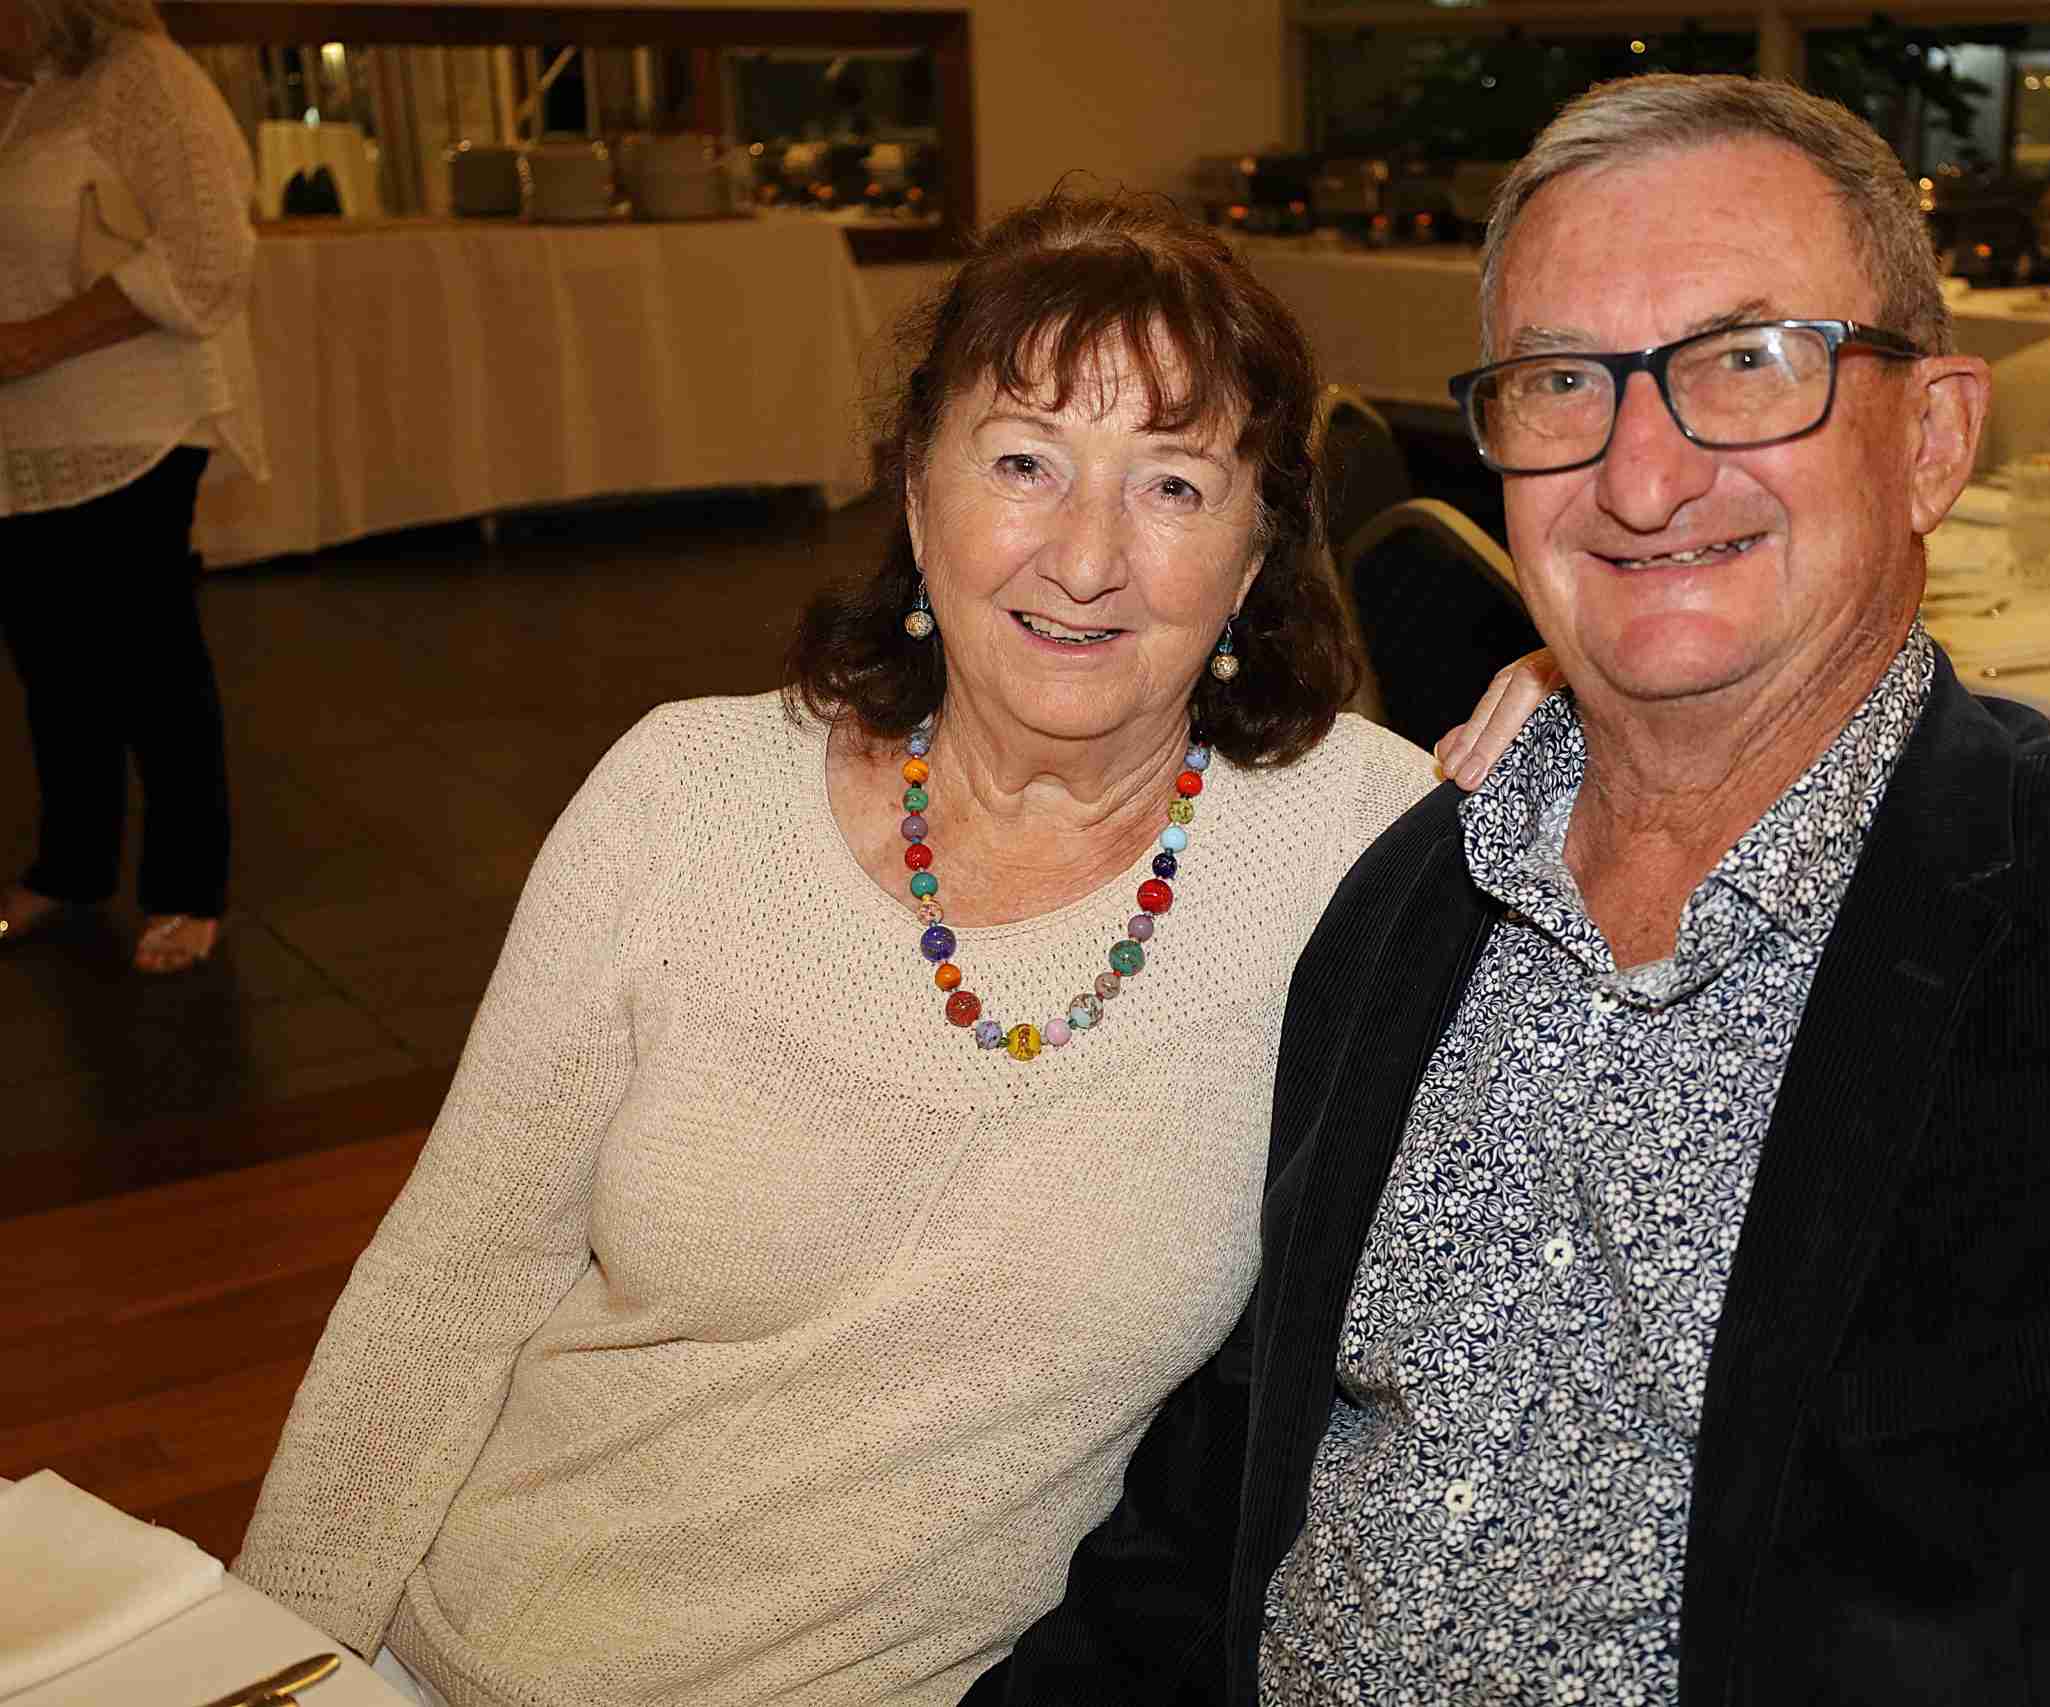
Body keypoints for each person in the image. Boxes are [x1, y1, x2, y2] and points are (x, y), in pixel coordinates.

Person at [991, 76, 2050, 1703]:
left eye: (1747, 362)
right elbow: (1218, 1507)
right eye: (1561, 381)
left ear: (1933, 438)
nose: (1643, 476)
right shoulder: (1407, 900)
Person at [232, 191, 1535, 1707]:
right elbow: (445, 1288)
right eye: (1024, 461)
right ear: (920, 499)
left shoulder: (1361, 845)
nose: (1086, 556)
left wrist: (1588, 699)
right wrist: (267, 1657)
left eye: (1173, 485)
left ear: (1254, 556)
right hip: (447, 1652)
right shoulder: (684, 794)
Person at [0, 0, 262, 972]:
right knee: (51, 658)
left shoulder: (141, 76)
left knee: (148, 655)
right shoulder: (22, 92)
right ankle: (71, 868)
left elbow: (209, 258)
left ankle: (189, 886)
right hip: (25, 432)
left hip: (134, 419)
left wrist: (34, 341)